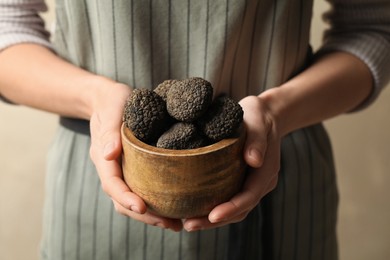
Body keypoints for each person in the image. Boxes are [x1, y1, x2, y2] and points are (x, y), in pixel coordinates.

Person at [1, 0, 389, 259]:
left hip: (281, 185)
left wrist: (277, 112)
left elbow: (374, 28)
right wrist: (93, 97)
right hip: (96, 197)